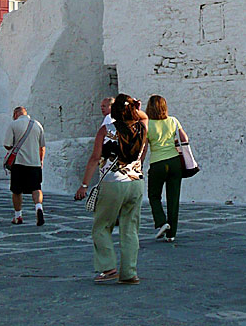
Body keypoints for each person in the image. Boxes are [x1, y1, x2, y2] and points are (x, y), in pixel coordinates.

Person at [76, 93, 147, 285]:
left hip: (113, 183)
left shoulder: (106, 130)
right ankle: (130, 273)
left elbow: (94, 158)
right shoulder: (142, 129)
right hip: (136, 183)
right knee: (130, 228)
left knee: (102, 226)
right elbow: (144, 119)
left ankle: (108, 268)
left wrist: (84, 184)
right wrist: (135, 108)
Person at [145, 94, 188, 242]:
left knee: (154, 195)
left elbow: (145, 146)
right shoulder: (173, 121)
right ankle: (172, 234)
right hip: (175, 162)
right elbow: (185, 139)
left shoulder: (147, 124)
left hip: (157, 163)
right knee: (173, 198)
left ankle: (162, 222)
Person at [3, 106, 46, 226]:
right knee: (36, 188)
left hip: (19, 163)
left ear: (16, 114)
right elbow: (42, 146)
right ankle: (38, 207)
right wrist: (41, 160)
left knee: (17, 191)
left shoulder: (14, 125)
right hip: (35, 163)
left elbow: (7, 145)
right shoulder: (37, 125)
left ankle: (18, 216)